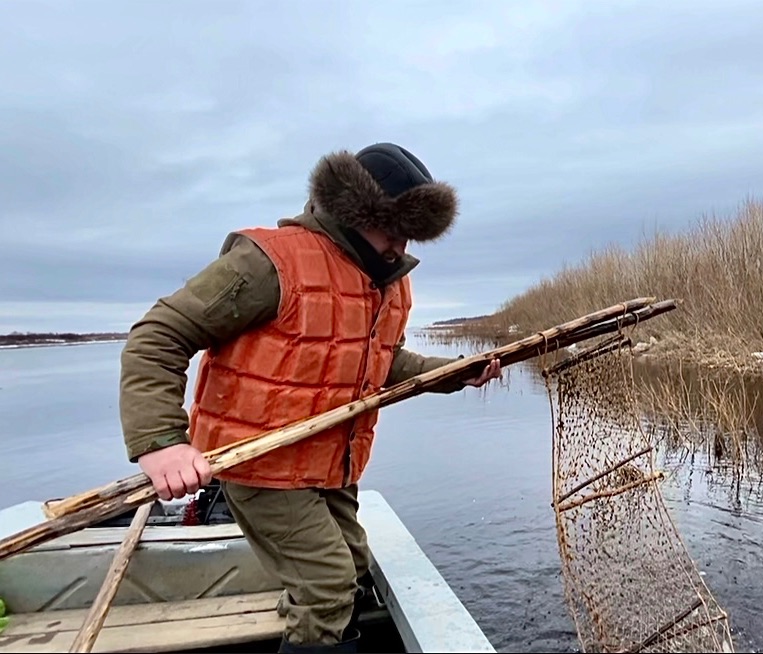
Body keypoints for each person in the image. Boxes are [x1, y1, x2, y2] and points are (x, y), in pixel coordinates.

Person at [118, 142, 502, 653]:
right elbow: (159, 335)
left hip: (332, 464)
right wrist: (162, 442)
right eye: (391, 228)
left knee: (354, 568)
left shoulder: (389, 283)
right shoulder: (269, 263)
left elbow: (383, 362)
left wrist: (454, 372)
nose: (399, 244)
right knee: (328, 587)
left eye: (409, 232)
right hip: (261, 465)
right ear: (354, 213)